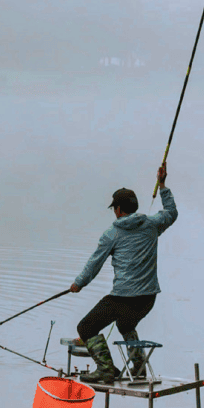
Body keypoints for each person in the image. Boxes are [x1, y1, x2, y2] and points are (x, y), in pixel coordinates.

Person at [68, 161, 177, 384]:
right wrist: (163, 185)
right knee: (125, 325)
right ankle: (139, 367)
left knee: (86, 327)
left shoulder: (112, 233)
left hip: (124, 298)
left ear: (117, 209)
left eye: (114, 209)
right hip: (148, 299)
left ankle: (106, 369)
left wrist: (78, 284)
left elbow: (94, 264)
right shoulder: (152, 224)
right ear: (134, 207)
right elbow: (171, 213)